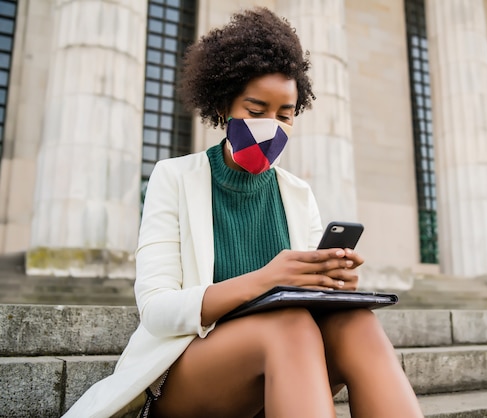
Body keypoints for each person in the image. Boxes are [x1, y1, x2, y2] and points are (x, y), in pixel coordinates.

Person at [64, 7, 424, 418]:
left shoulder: (297, 193)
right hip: (189, 374)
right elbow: (158, 310)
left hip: (285, 366)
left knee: (357, 323)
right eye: (256, 111)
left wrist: (330, 282)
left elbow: (305, 293)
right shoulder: (175, 177)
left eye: (285, 115)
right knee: (288, 326)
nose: (272, 125)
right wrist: (269, 279)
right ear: (223, 106)